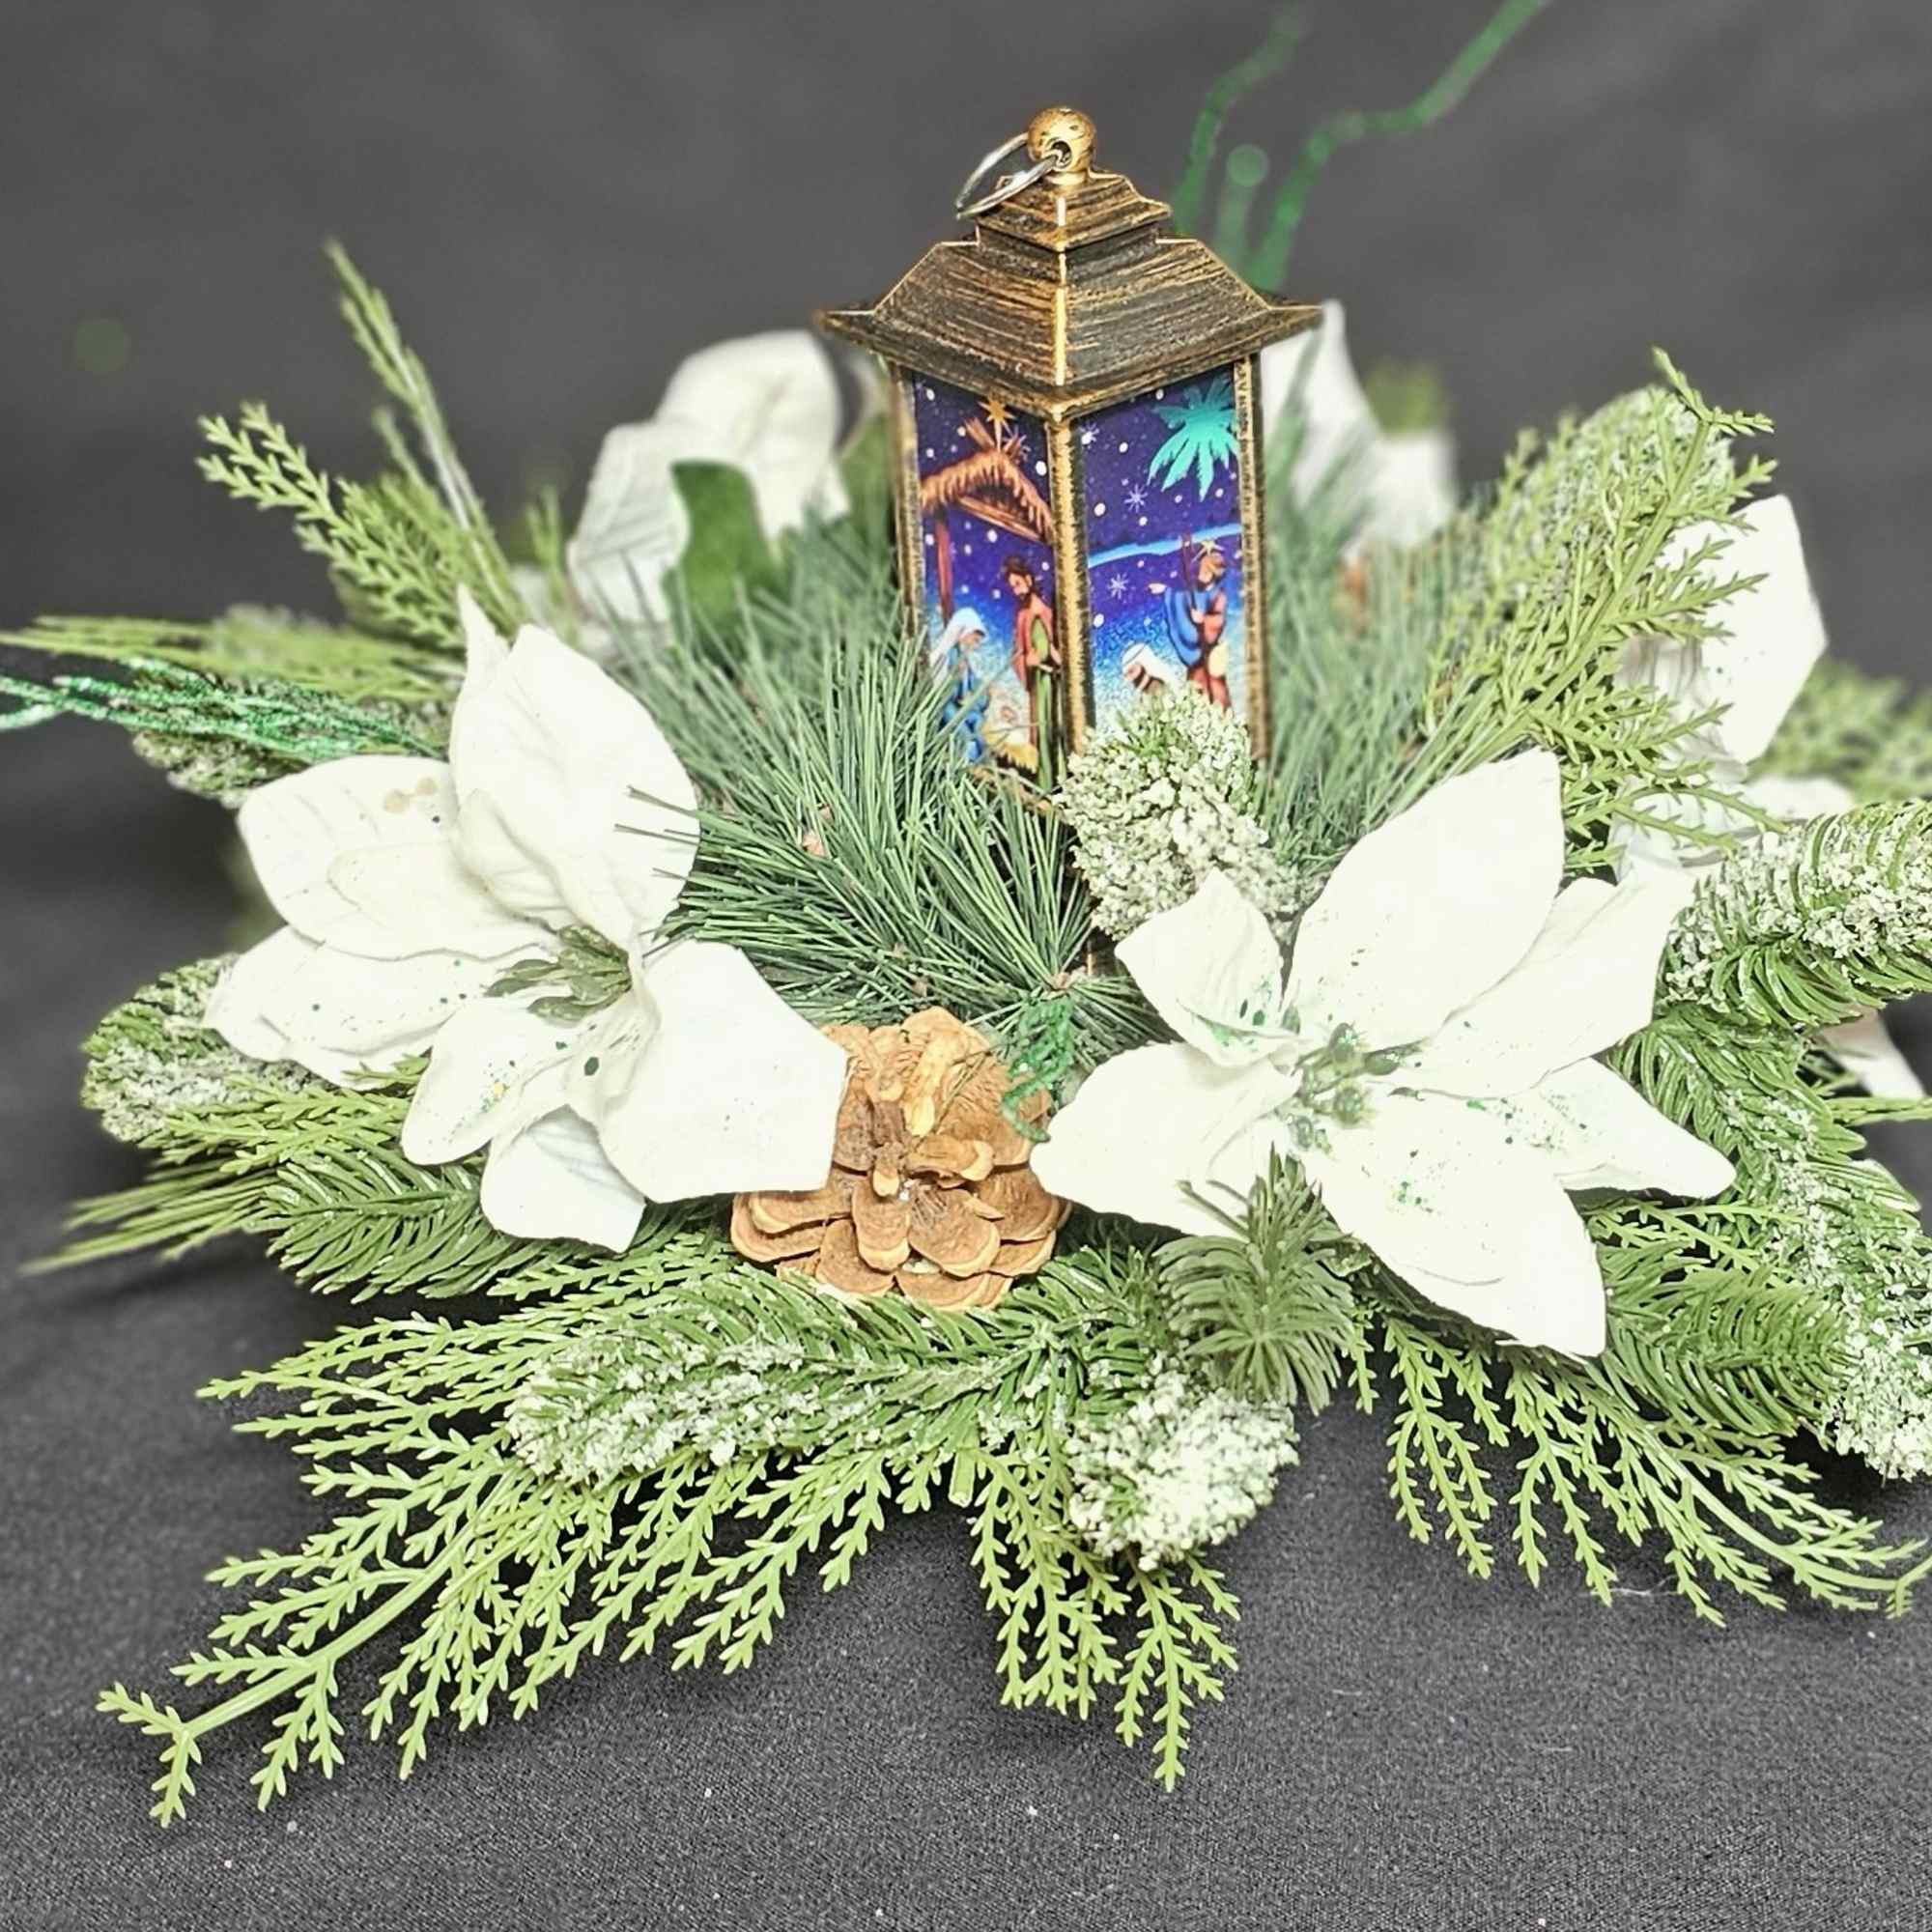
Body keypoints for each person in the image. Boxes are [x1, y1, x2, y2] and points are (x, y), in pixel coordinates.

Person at [1147, 537, 1232, 708]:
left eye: (1206, 572)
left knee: (1214, 688)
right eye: (1201, 570)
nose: (1201, 574)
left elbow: (1218, 620)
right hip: (1197, 659)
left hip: (1210, 656)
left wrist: (1205, 620)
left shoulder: (1218, 595)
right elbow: (1182, 596)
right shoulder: (1195, 590)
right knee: (1196, 688)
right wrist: (1166, 590)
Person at [1000, 555, 1061, 785]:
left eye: (1017, 584)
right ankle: (1045, 780)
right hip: (1038, 681)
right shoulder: (1023, 614)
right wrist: (1026, 660)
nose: (1016, 591)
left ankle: (1056, 779)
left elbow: (1051, 645)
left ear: (1028, 578)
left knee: (1052, 729)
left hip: (1050, 679)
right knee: (1040, 730)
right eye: (1012, 587)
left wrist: (1048, 655)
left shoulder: (1042, 609)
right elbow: (1021, 651)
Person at [931, 607, 991, 762]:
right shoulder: (948, 655)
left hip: (958, 706)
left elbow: (973, 689)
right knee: (964, 734)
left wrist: (985, 691)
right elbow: (941, 689)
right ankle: (967, 766)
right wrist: (954, 677)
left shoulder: (965, 660)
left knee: (978, 720)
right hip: (945, 706)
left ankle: (982, 763)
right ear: (963, 633)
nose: (976, 645)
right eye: (975, 639)